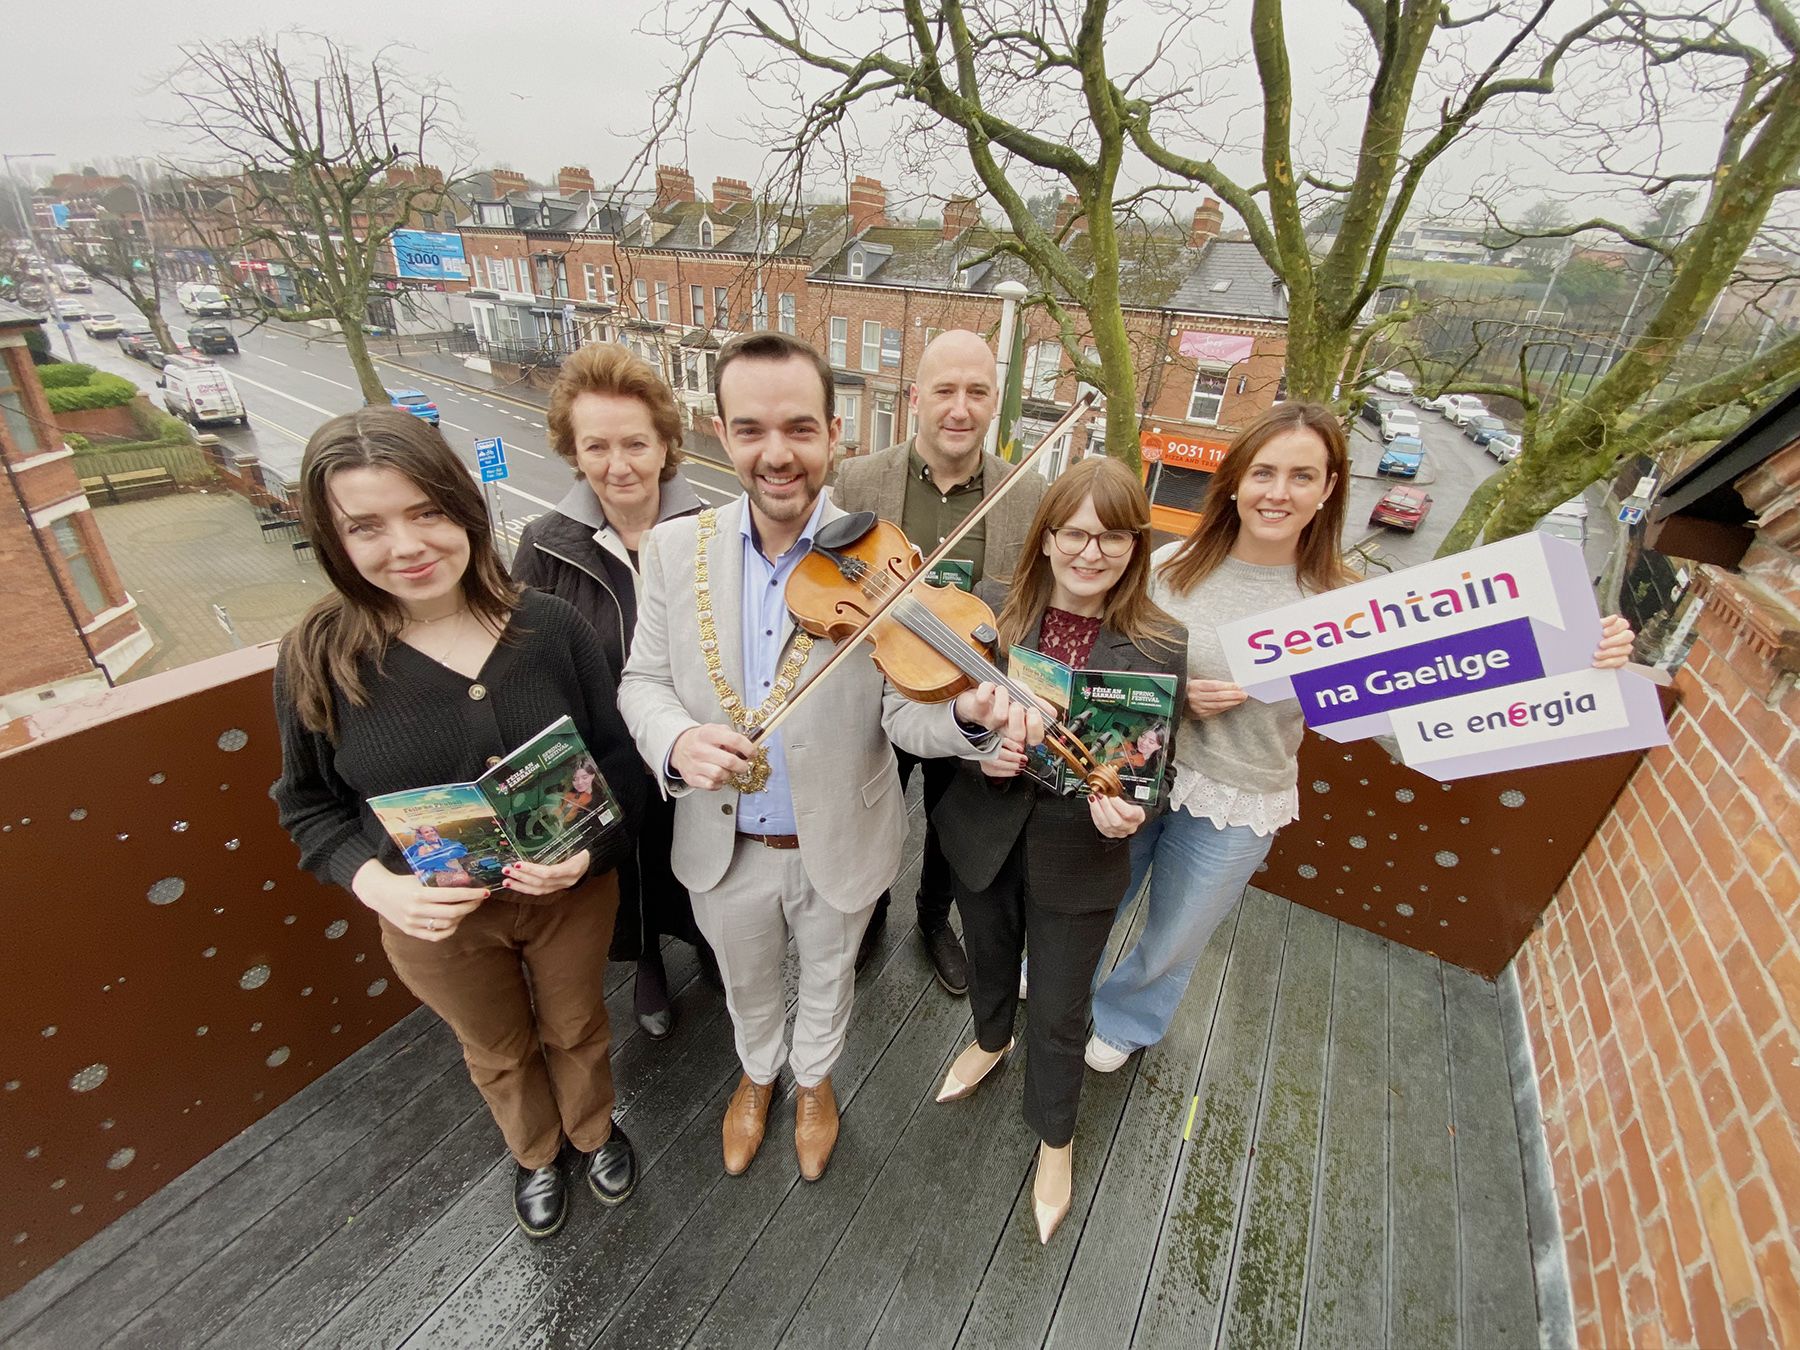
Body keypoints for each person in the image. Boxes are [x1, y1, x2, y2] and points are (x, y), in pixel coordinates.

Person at [1083, 401, 1638, 1076]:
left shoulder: (1345, 608)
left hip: (1236, 800)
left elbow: (1414, 718)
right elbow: (1106, 664)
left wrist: (1572, 656)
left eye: (1301, 476)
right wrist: (1172, 702)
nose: (1278, 492)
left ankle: (1127, 1018)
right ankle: (1052, 975)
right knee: (1088, 895)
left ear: (1328, 491)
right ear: (1233, 482)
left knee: (1175, 935)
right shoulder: (1168, 564)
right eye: (1263, 472)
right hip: (1138, 770)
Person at [618, 332, 1026, 1184]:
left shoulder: (884, 564)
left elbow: (905, 722)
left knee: (832, 977)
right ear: (722, 432)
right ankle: (757, 1075)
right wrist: (676, 739)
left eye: (801, 429)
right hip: (722, 842)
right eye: (753, 430)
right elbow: (643, 680)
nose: (778, 454)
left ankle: (813, 1082)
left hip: (837, 838)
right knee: (748, 982)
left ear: (835, 433)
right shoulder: (670, 551)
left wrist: (970, 720)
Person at [271, 407, 646, 1241]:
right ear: (334, 540)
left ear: (464, 509)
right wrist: (377, 889)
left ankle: (593, 1130)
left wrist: (585, 861)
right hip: (436, 923)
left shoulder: (550, 626)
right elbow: (307, 805)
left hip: (568, 897)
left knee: (578, 1023)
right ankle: (536, 1152)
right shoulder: (318, 659)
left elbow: (623, 763)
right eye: (366, 526)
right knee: (498, 1050)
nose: (405, 546)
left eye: (426, 511)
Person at [931, 455, 1187, 1245]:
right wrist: (981, 751)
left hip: (1079, 854)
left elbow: (1154, 763)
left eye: (1112, 538)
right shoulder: (993, 615)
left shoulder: (1161, 643)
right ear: (1044, 540)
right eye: (1074, 533)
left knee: (1064, 1008)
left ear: (1134, 550)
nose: (1091, 551)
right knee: (988, 953)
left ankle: (1055, 1137)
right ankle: (987, 1038)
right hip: (985, 828)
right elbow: (950, 726)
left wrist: (1130, 815)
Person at [831, 329, 1049, 991]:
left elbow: (1033, 605)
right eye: (946, 391)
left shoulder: (1026, 492)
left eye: (977, 392)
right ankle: (870, 912)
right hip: (881, 690)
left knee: (951, 827)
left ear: (993, 406)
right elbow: (834, 582)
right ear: (917, 397)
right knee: (870, 813)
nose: (960, 408)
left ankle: (932, 920)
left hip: (968, 696)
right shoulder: (860, 477)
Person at [514, 342, 717, 1042]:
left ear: (667, 444)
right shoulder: (543, 545)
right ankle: (649, 963)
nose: (618, 465)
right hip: (604, 755)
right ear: (573, 451)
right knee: (628, 872)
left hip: (691, 743)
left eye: (636, 443)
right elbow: (527, 660)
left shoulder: (714, 531)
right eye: (595, 446)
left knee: (702, 859)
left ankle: (710, 943)